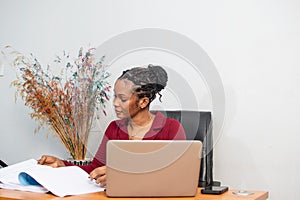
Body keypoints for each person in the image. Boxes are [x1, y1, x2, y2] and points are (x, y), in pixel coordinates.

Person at [38, 64, 186, 186]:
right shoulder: (114, 128)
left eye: (122, 99)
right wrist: (62, 165)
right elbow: (94, 169)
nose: (115, 103)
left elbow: (178, 176)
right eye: (115, 96)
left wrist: (122, 177)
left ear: (143, 102)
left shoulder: (171, 128)